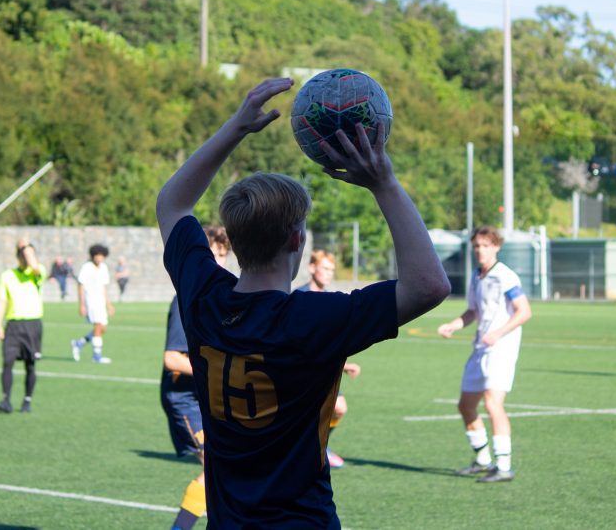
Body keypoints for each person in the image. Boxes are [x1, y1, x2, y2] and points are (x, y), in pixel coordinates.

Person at [156, 77, 450, 527]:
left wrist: (235, 127)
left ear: (232, 240)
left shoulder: (203, 299)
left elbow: (172, 205)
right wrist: (384, 182)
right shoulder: (315, 319)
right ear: (298, 238)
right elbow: (429, 285)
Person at [437, 226, 532, 483]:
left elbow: (524, 311)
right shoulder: (477, 276)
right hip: (480, 348)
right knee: (466, 406)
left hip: (501, 348)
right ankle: (482, 460)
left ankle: (503, 466)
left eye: (485, 245)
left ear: (496, 247)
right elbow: (472, 312)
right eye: (477, 246)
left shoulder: (505, 276)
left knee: (492, 403)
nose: (480, 250)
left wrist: (498, 333)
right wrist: (453, 325)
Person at [161, 226, 229, 530]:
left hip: (208, 397)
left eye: (224, 255)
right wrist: (216, 368)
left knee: (227, 469)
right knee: (217, 469)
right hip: (185, 400)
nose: (220, 261)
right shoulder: (185, 301)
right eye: (214, 254)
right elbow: (172, 359)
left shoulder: (219, 298)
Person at [296, 250, 360, 470]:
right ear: (312, 268)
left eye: (332, 270)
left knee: (339, 408)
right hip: (302, 370)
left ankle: (320, 446)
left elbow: (330, 340)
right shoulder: (299, 297)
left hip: (325, 368)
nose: (328, 274)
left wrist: (344, 363)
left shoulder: (330, 298)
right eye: (324, 268)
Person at [0, 241, 46, 414]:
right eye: (22, 254)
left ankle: (27, 400)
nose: (26, 257)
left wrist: (28, 250)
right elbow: (1, 300)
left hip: (33, 324)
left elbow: (34, 266)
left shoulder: (37, 273)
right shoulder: (7, 275)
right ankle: (6, 400)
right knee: (7, 361)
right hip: (14, 325)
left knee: (30, 365)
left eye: (30, 255)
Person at [72, 244, 114, 364]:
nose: (99, 258)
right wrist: (81, 304)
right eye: (97, 255)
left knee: (102, 329)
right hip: (91, 301)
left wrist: (109, 304)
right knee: (98, 326)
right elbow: (81, 285)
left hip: (101, 302)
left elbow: (104, 288)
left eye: (101, 256)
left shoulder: (104, 267)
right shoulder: (87, 267)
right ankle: (96, 356)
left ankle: (79, 343)